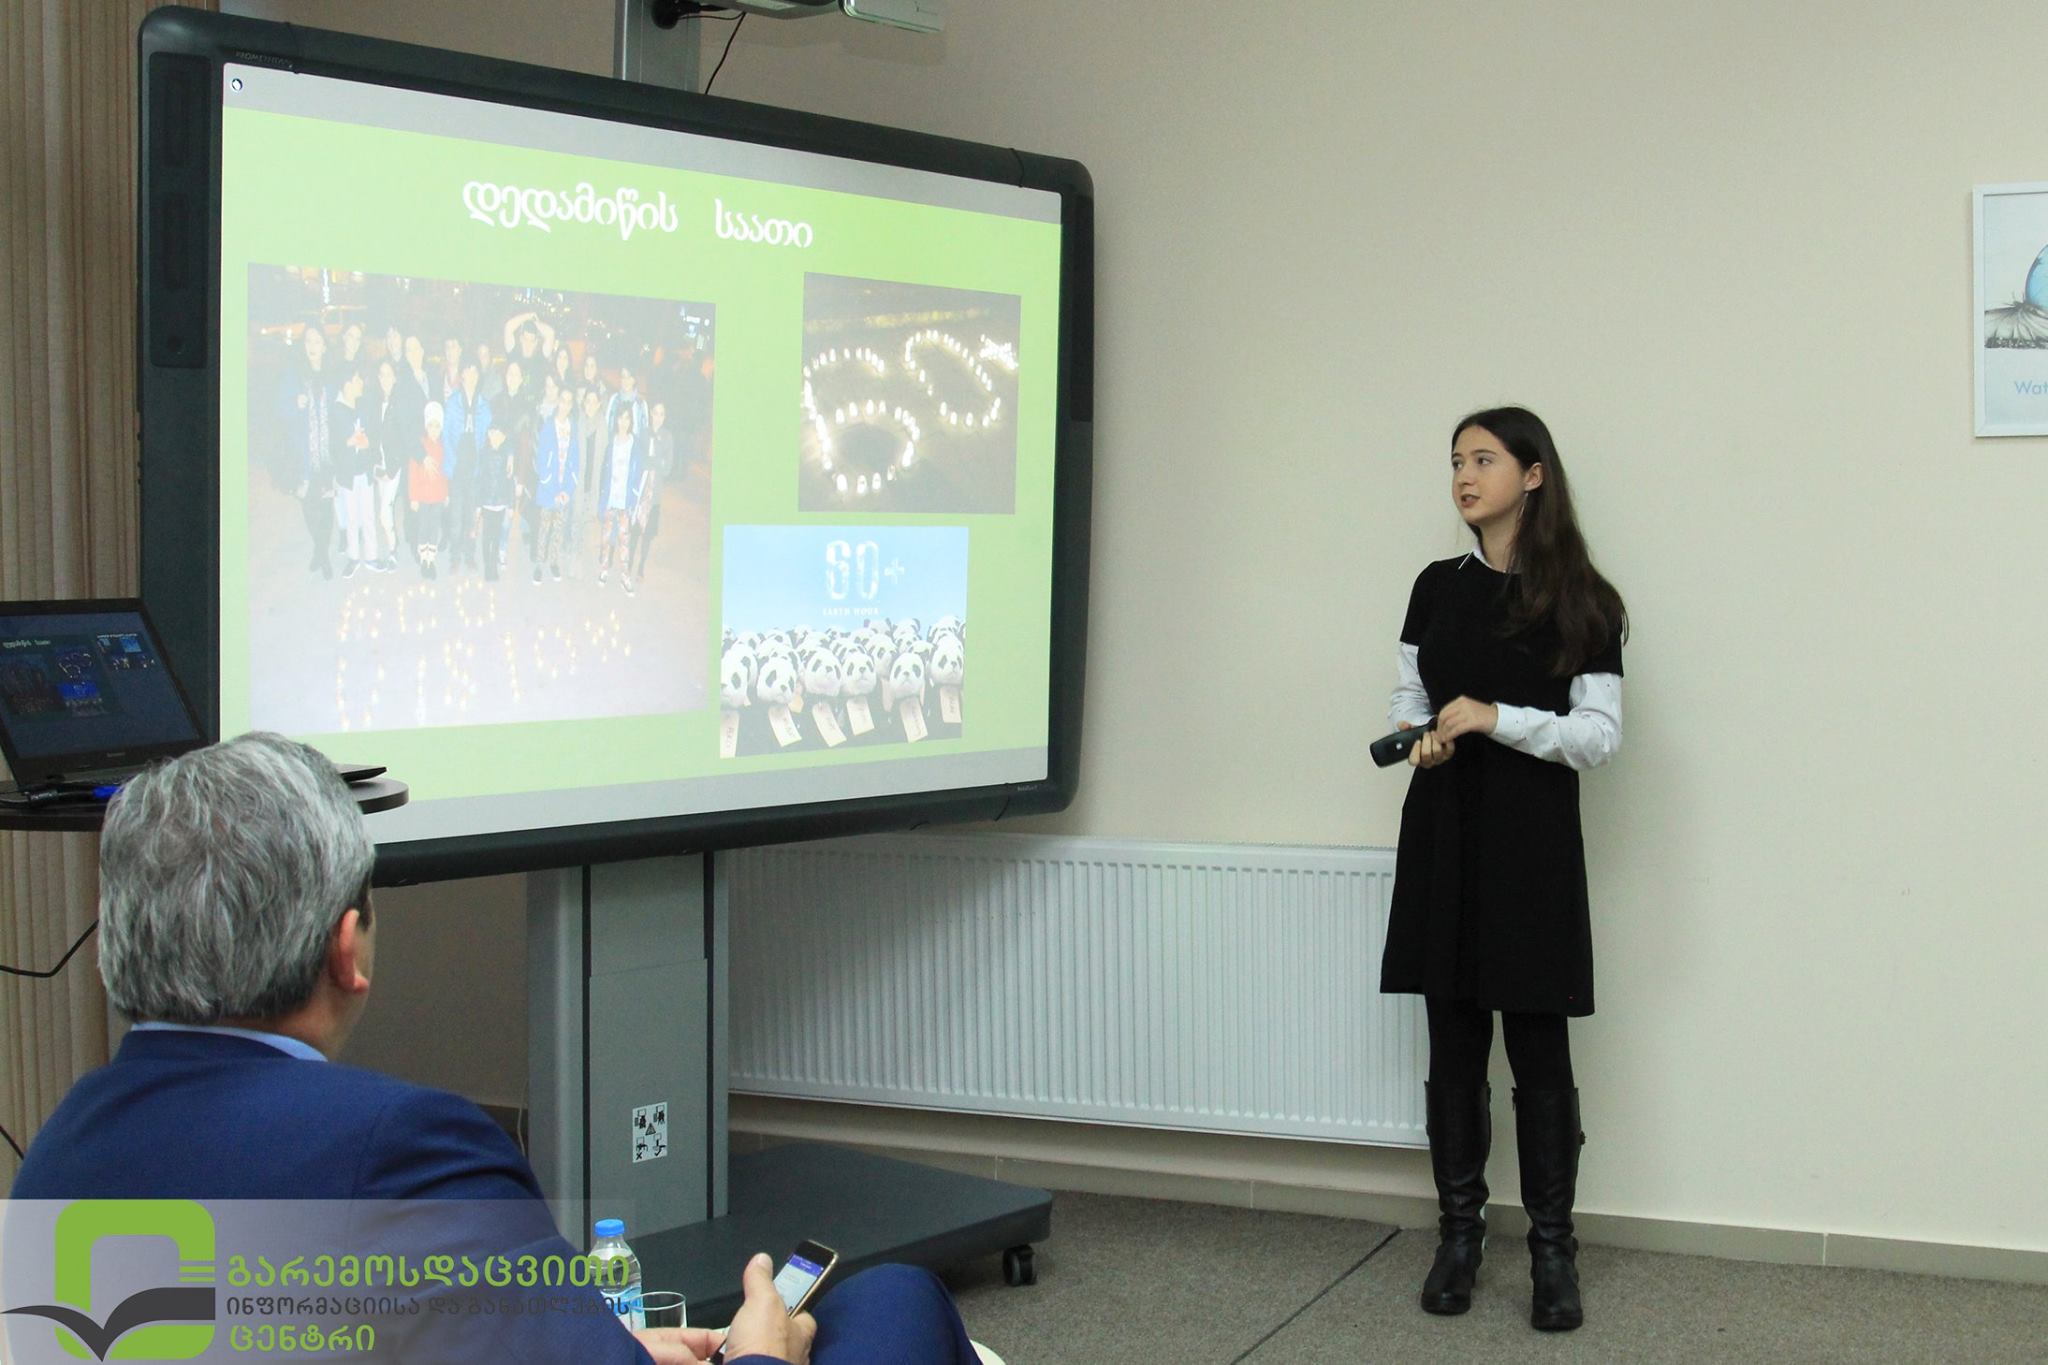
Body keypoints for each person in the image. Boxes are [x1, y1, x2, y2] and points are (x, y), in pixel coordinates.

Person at [9, 733, 986, 1365]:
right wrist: (764, 1357)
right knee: (892, 1303)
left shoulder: (60, 1153)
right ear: (347, 950)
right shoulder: (403, 1144)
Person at [1379, 406, 1626, 1334]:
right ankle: (1459, 1237)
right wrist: (1421, 736)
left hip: (1532, 844)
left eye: (1483, 459)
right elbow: (1409, 695)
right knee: (1451, 1044)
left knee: (1537, 1048)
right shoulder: (1434, 586)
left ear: (1532, 474)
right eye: (1455, 460)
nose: (1463, 476)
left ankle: (1554, 1253)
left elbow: (1599, 737)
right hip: (1444, 830)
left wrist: (1495, 718)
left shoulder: (1585, 597)